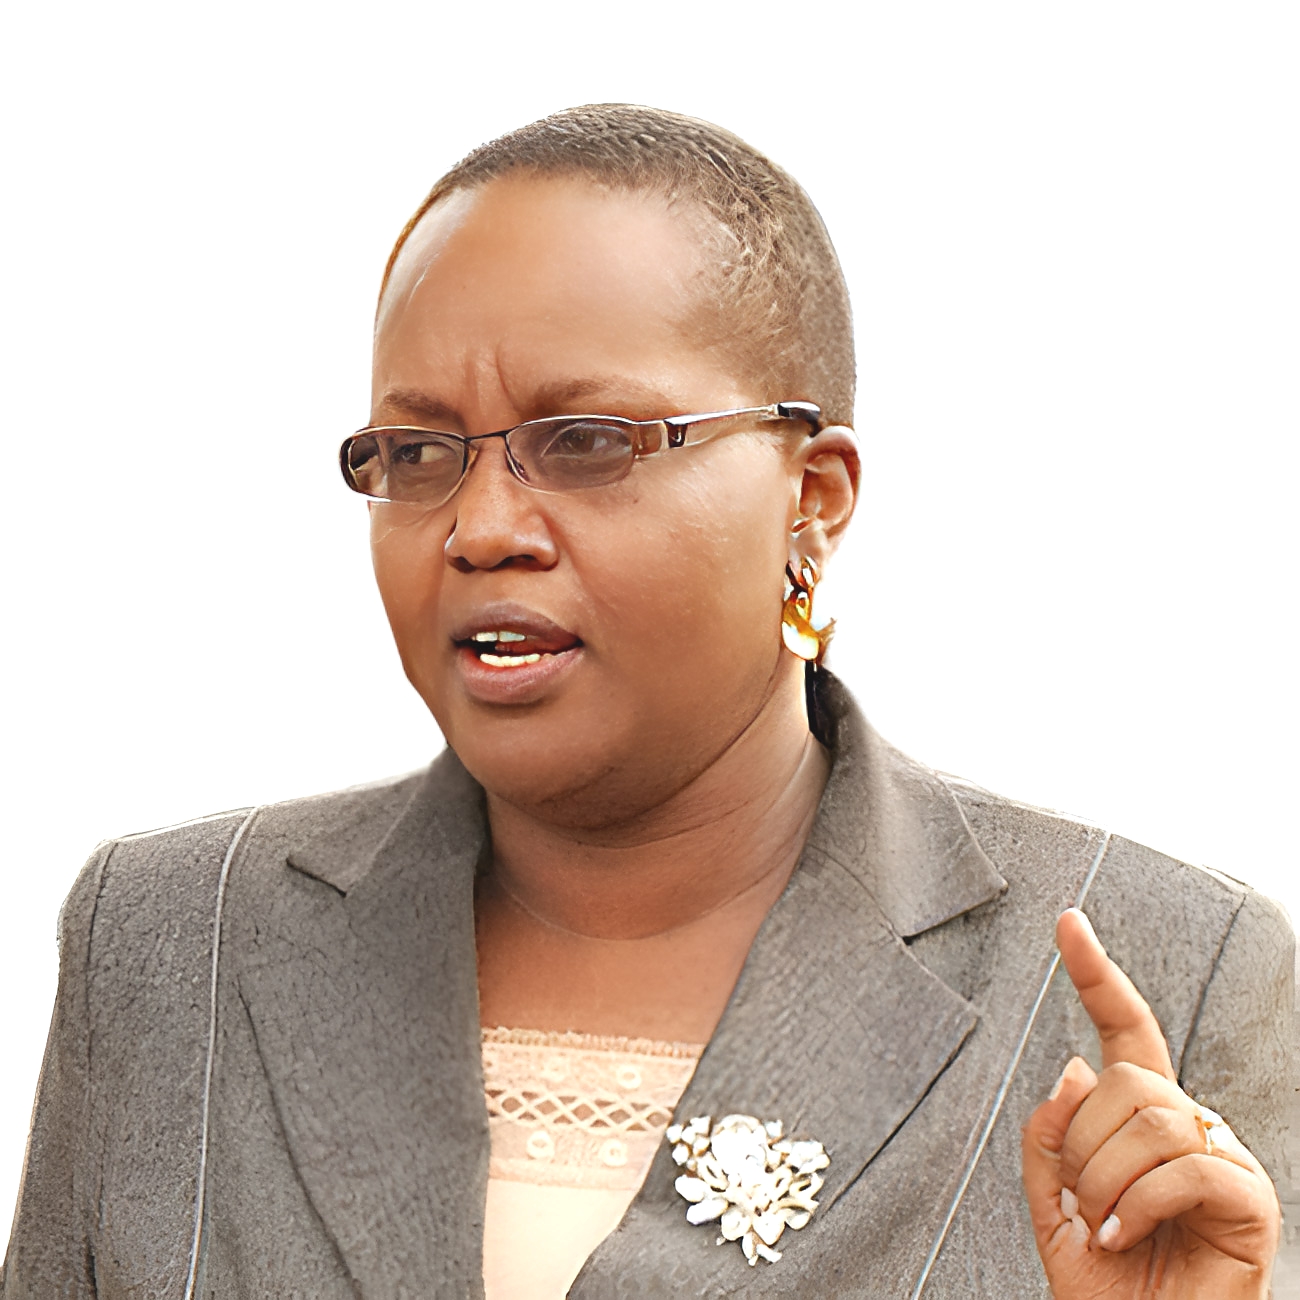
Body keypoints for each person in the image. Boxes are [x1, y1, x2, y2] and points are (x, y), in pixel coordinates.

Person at [1, 104, 1290, 1299]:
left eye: (586, 443)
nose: (481, 528)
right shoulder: (171, 945)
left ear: (812, 499)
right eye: (418, 452)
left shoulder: (1172, 982)